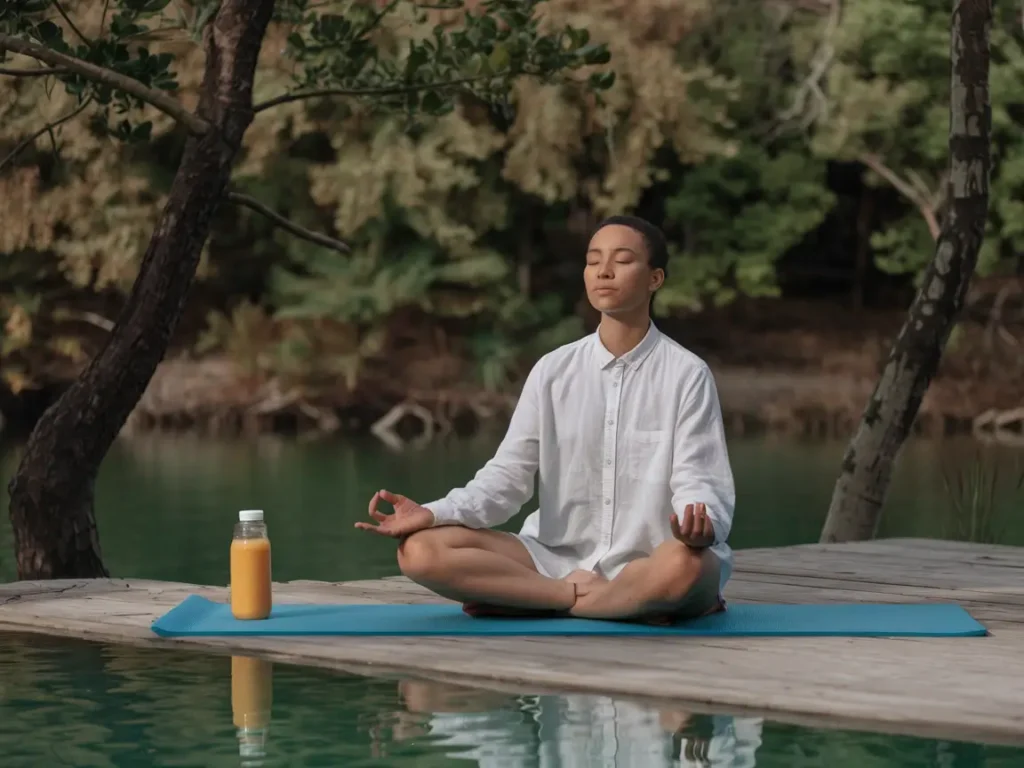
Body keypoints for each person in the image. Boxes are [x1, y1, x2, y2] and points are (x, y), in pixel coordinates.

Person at [355, 215, 736, 623]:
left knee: (686, 566)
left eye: (622, 261)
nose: (603, 271)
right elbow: (506, 479)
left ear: (655, 279)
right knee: (420, 550)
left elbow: (699, 480)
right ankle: (582, 598)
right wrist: (430, 513)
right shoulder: (553, 371)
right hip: (553, 560)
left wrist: (702, 525)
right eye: (593, 261)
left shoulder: (686, 374)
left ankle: (539, 599)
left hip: (648, 561)